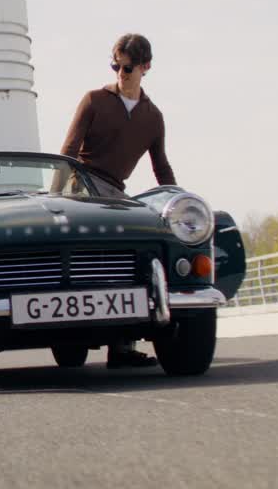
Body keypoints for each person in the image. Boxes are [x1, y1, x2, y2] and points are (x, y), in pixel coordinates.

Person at [60, 33, 176, 369]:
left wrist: (179, 204)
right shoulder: (94, 100)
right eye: (115, 66)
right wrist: (57, 198)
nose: (120, 73)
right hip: (79, 187)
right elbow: (68, 152)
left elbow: (161, 166)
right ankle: (70, 336)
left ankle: (122, 348)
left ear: (145, 67)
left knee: (125, 263)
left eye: (127, 67)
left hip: (116, 194)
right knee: (83, 264)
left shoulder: (153, 117)